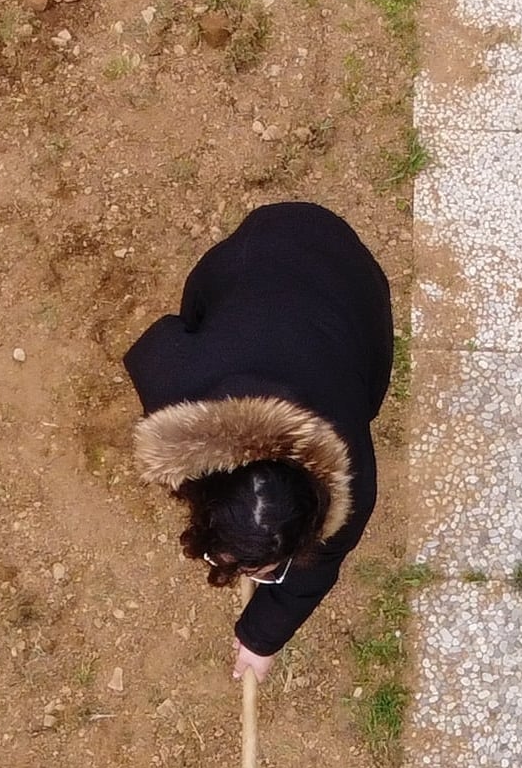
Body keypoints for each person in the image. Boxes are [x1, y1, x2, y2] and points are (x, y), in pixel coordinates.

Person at [127, 201, 394, 681]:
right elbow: (158, 342)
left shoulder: (354, 481)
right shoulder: (176, 389)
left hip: (349, 281)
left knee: (360, 386)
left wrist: (260, 637)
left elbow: (318, 568)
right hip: (257, 250)